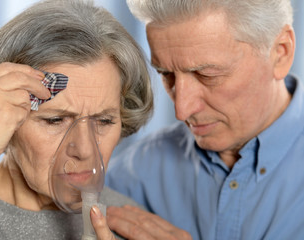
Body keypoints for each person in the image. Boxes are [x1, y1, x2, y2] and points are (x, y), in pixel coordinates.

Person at [0, 0, 153, 239]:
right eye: (55, 120)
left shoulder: (131, 224)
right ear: (5, 120)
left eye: (104, 121)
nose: (84, 150)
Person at [105, 0, 303, 239]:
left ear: (281, 52)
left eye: (207, 75)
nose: (182, 110)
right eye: (166, 75)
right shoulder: (134, 173)